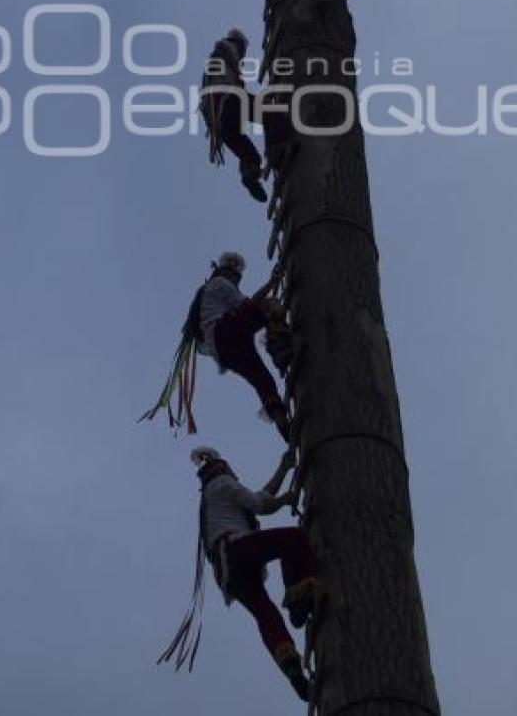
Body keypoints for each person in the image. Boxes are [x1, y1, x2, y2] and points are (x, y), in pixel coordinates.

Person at [159, 445, 319, 702]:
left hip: (229, 574)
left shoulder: (213, 495)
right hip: (236, 549)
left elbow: (259, 497)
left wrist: (284, 468)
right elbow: (259, 505)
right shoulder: (223, 483)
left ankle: (290, 668)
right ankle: (298, 597)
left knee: (265, 613)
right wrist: (285, 499)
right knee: (294, 540)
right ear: (223, 468)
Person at [140, 252, 291, 442]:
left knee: (262, 377)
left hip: (226, 351)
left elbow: (248, 311)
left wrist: (271, 285)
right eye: (234, 275)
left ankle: (278, 415)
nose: (235, 279)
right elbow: (250, 305)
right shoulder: (219, 284)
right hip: (226, 331)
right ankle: (282, 349)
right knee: (270, 306)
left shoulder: (210, 291)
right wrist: (271, 283)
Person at [200, 27, 267, 203]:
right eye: (243, 50)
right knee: (270, 111)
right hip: (228, 103)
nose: (243, 57)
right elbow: (231, 85)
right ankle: (279, 145)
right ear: (237, 44)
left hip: (223, 125)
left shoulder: (222, 59)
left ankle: (250, 177)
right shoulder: (225, 51)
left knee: (251, 157)